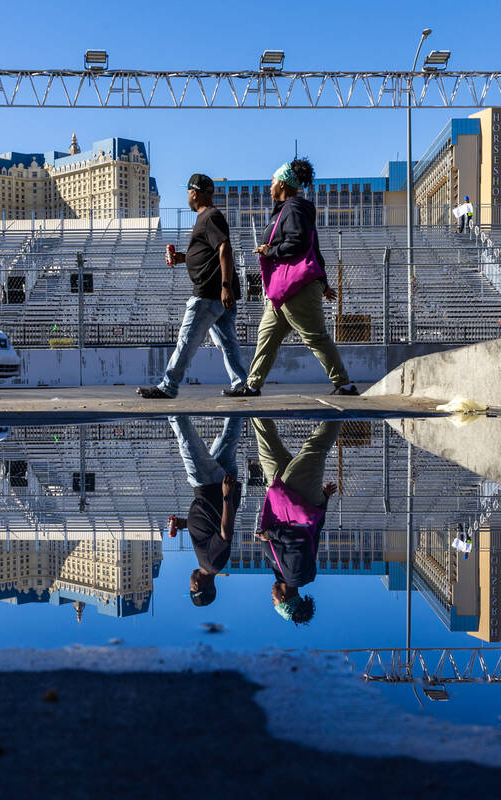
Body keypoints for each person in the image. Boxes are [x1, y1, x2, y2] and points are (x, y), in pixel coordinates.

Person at [223, 159, 359, 398]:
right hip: (282, 291)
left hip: (296, 289)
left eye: (273, 182)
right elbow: (313, 249)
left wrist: (269, 251)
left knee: (314, 337)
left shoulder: (294, 208)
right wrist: (324, 282)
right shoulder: (287, 211)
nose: (270, 186)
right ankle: (252, 385)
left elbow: (301, 243)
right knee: (267, 336)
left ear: (283, 184)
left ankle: (345, 384)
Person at [137, 174, 247, 399]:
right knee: (227, 341)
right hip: (218, 293)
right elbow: (208, 254)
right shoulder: (205, 218)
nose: (187, 196)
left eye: (188, 192)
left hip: (209, 292)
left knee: (186, 340)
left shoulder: (210, 216)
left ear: (194, 193)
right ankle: (241, 384)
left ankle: (168, 386)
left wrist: (225, 285)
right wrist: (184, 258)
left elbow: (224, 249)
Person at [250, 417, 341, 625]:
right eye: (273, 600)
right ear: (283, 599)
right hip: (298, 497)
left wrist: (323, 504)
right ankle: (342, 408)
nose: (270, 596)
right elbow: (298, 541)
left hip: (280, 496)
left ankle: (252, 394)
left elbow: (314, 535)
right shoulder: (297, 576)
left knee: (266, 439)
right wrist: (268, 535)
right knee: (315, 447)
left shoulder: (282, 573)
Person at [166, 415, 243, 606]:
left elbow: (210, 527)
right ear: (200, 587)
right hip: (211, 486)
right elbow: (226, 533)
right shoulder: (212, 563)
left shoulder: (208, 561)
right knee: (186, 441)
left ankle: (241, 394)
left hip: (215, 487)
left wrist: (184, 524)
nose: (189, 584)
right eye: (192, 588)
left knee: (229, 436)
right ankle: (170, 401)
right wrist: (226, 495)